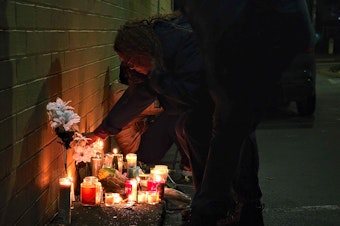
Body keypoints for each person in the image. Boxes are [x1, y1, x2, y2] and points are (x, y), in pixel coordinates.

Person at [175, 0, 315, 225]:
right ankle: (241, 208)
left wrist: (221, 91)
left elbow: (214, 36)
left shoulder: (215, 12)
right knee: (235, 128)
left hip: (261, 41)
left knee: (228, 130)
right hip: (268, 37)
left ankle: (212, 212)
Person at [86, 11, 213, 178]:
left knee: (209, 138)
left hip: (226, 96)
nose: (130, 67)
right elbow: (136, 97)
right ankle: (213, 193)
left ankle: (233, 198)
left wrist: (157, 79)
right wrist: (101, 132)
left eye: (129, 61)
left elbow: (192, 91)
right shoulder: (156, 58)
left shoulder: (183, 45)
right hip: (204, 105)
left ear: (140, 51)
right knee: (185, 128)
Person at [109, 63, 191, 175]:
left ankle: (190, 160)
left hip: (144, 141)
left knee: (177, 115)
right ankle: (190, 163)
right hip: (139, 152)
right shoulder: (122, 94)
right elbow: (161, 105)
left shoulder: (128, 91)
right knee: (172, 115)